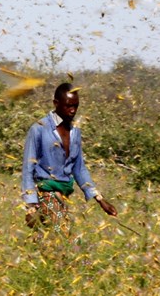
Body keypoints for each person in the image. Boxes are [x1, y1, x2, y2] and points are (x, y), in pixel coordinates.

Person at [22, 83, 117, 232]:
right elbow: (28, 168)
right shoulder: (39, 129)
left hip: (64, 193)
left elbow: (79, 169)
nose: (73, 110)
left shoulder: (75, 131)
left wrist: (100, 199)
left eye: (76, 106)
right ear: (56, 103)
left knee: (46, 238)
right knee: (63, 234)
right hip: (45, 191)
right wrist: (31, 204)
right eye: (68, 106)